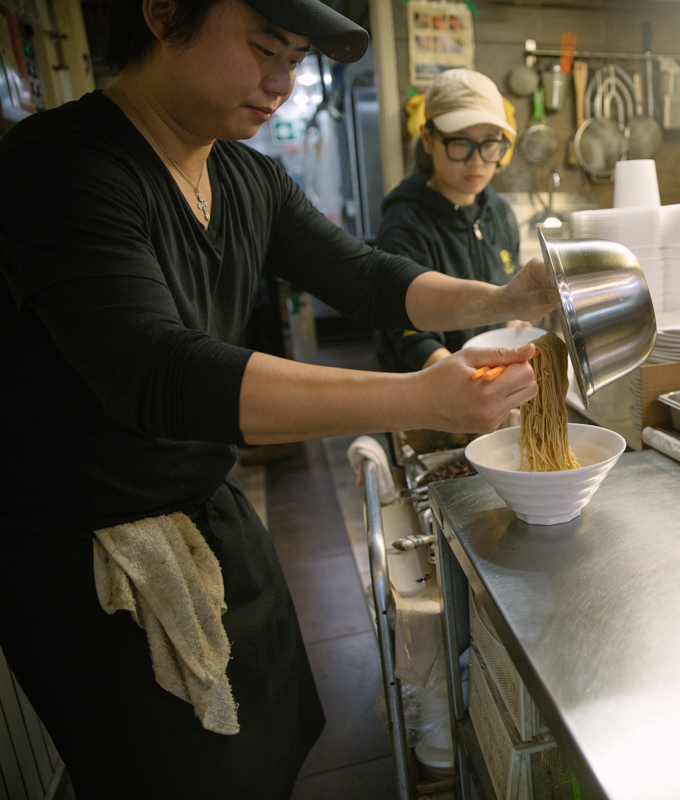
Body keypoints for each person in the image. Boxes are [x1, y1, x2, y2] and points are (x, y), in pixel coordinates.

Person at [0, 0, 555, 796]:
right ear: (162, 12)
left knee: (267, 753)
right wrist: (416, 398)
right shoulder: (59, 166)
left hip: (208, 516)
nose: (280, 84)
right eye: (264, 47)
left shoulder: (243, 172)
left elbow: (369, 278)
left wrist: (506, 297)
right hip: (95, 573)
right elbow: (161, 372)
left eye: (295, 60)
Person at [376, 68, 526, 373]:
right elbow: (406, 332)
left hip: (489, 383)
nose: (477, 160)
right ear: (429, 139)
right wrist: (466, 383)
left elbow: (507, 295)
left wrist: (515, 321)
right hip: (427, 396)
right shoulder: (405, 224)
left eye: (489, 143)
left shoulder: (499, 214)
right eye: (461, 142)